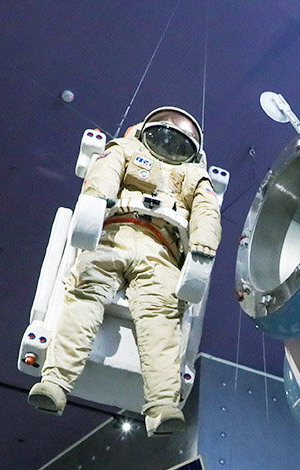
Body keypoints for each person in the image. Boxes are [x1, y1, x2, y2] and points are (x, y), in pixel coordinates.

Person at [28, 106, 221, 435]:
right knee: (86, 290)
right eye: (166, 129)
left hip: (161, 249)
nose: (172, 137)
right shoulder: (126, 148)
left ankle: (162, 406)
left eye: (181, 134)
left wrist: (203, 244)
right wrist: (97, 199)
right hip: (113, 233)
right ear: (147, 129)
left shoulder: (193, 175)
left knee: (162, 313)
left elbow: (206, 210)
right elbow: (106, 171)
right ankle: (55, 383)